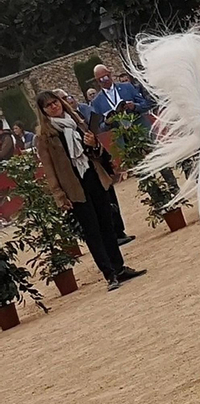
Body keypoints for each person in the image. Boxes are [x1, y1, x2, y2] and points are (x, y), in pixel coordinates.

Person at [34, 91, 145, 290]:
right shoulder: (44, 137)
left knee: (107, 225)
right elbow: (49, 170)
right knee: (92, 232)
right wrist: (59, 195)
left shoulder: (77, 122)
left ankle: (119, 268)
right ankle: (109, 274)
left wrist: (93, 144)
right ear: (43, 111)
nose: (54, 106)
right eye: (48, 105)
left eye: (55, 102)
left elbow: (96, 150)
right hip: (74, 187)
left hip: (93, 177)